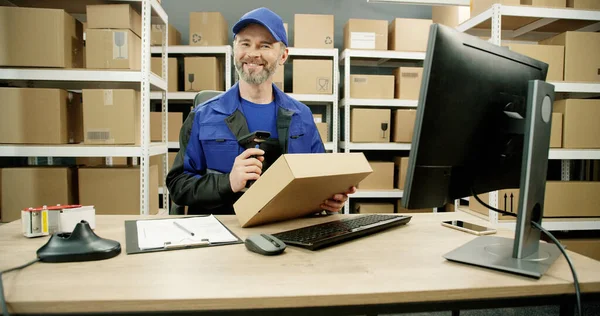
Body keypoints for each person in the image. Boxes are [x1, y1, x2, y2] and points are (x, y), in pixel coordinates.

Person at [166, 7, 355, 215]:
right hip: (224, 231)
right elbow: (178, 185)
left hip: (287, 230)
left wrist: (329, 199)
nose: (253, 53)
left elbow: (320, 178)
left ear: (283, 55)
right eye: (245, 43)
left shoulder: (301, 116)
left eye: (265, 45)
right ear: (234, 49)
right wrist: (227, 182)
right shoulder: (202, 116)